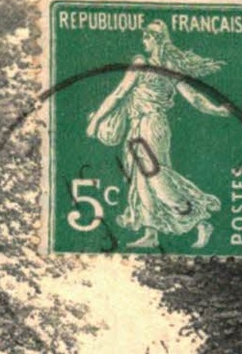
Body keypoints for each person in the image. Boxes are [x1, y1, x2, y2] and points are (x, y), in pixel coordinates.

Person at [85, 20, 230, 250]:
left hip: (152, 124)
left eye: (147, 36)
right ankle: (151, 232)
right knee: (140, 180)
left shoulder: (146, 64)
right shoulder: (161, 66)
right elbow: (193, 99)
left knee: (154, 175)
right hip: (137, 125)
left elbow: (121, 93)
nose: (144, 40)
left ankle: (199, 217)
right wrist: (215, 110)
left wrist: (95, 121)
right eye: (144, 36)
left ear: (157, 39)